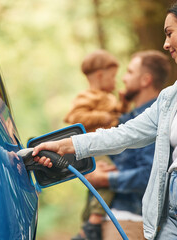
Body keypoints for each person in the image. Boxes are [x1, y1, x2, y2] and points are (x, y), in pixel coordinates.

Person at [32, 0, 177, 239]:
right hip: (170, 218)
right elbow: (125, 134)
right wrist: (66, 145)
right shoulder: (172, 94)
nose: (165, 44)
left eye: (170, 34)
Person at [84, 50, 170, 240]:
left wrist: (106, 179)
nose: (123, 78)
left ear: (145, 80)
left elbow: (151, 175)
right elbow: (122, 160)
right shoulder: (128, 119)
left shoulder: (158, 121)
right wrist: (102, 167)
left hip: (131, 220)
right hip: (114, 216)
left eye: (130, 72)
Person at [65, 49, 129, 240]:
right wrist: (103, 116)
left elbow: (119, 117)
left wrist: (124, 104)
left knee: (97, 187)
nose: (115, 81)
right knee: (108, 175)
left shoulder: (108, 97)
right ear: (100, 76)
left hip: (106, 146)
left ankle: (87, 222)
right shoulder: (88, 96)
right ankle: (94, 221)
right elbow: (74, 117)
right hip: (92, 147)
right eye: (113, 77)